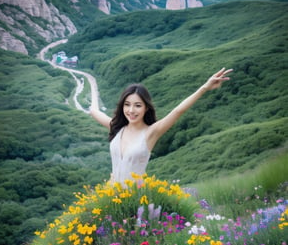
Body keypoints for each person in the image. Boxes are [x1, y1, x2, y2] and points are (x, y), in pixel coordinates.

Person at [89, 67, 233, 185]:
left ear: (146, 108)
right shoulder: (116, 127)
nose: (131, 110)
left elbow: (178, 111)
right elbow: (93, 111)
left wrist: (205, 87)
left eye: (137, 105)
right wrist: (92, 85)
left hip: (134, 199)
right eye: (127, 105)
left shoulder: (151, 132)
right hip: (109, 195)